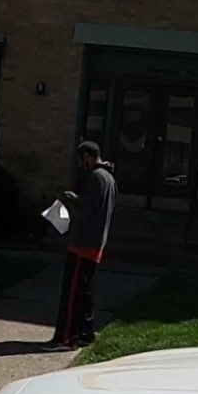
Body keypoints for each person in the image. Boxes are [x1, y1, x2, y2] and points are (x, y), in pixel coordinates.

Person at [47, 142, 120, 346]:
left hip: (83, 243)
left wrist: (72, 201)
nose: (81, 165)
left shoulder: (96, 178)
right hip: (96, 243)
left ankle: (67, 335)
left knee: (73, 294)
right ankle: (85, 333)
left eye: (81, 160)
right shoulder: (110, 179)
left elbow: (87, 210)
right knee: (85, 293)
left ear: (88, 156)